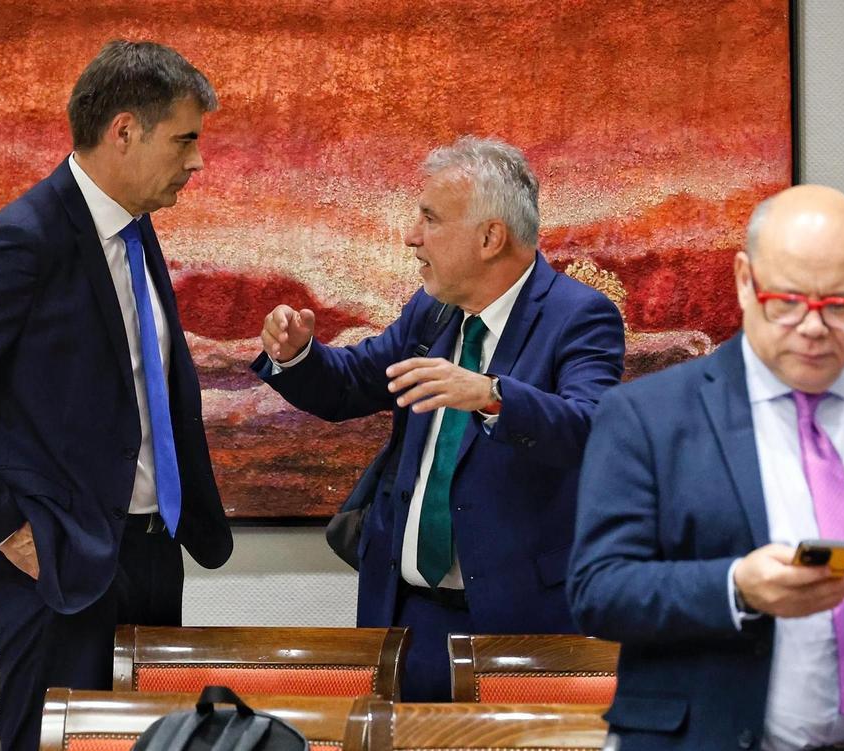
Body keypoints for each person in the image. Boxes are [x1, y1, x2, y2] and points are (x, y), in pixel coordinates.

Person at [0, 40, 232, 751]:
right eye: (185, 140)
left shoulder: (136, 227)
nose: (197, 162)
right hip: (60, 569)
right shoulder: (26, 238)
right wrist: (1, 526)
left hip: (150, 555)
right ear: (123, 130)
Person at [569, 184, 844, 751]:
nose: (813, 327)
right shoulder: (645, 416)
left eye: (842, 306)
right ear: (745, 281)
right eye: (789, 301)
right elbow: (599, 589)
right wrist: (737, 588)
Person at [253, 135, 626, 701]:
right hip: (407, 616)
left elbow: (592, 427)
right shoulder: (433, 310)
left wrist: (492, 394)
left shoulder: (579, 316)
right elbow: (355, 382)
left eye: (429, 218)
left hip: (516, 620)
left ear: (489, 237)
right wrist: (298, 355)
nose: (411, 235)